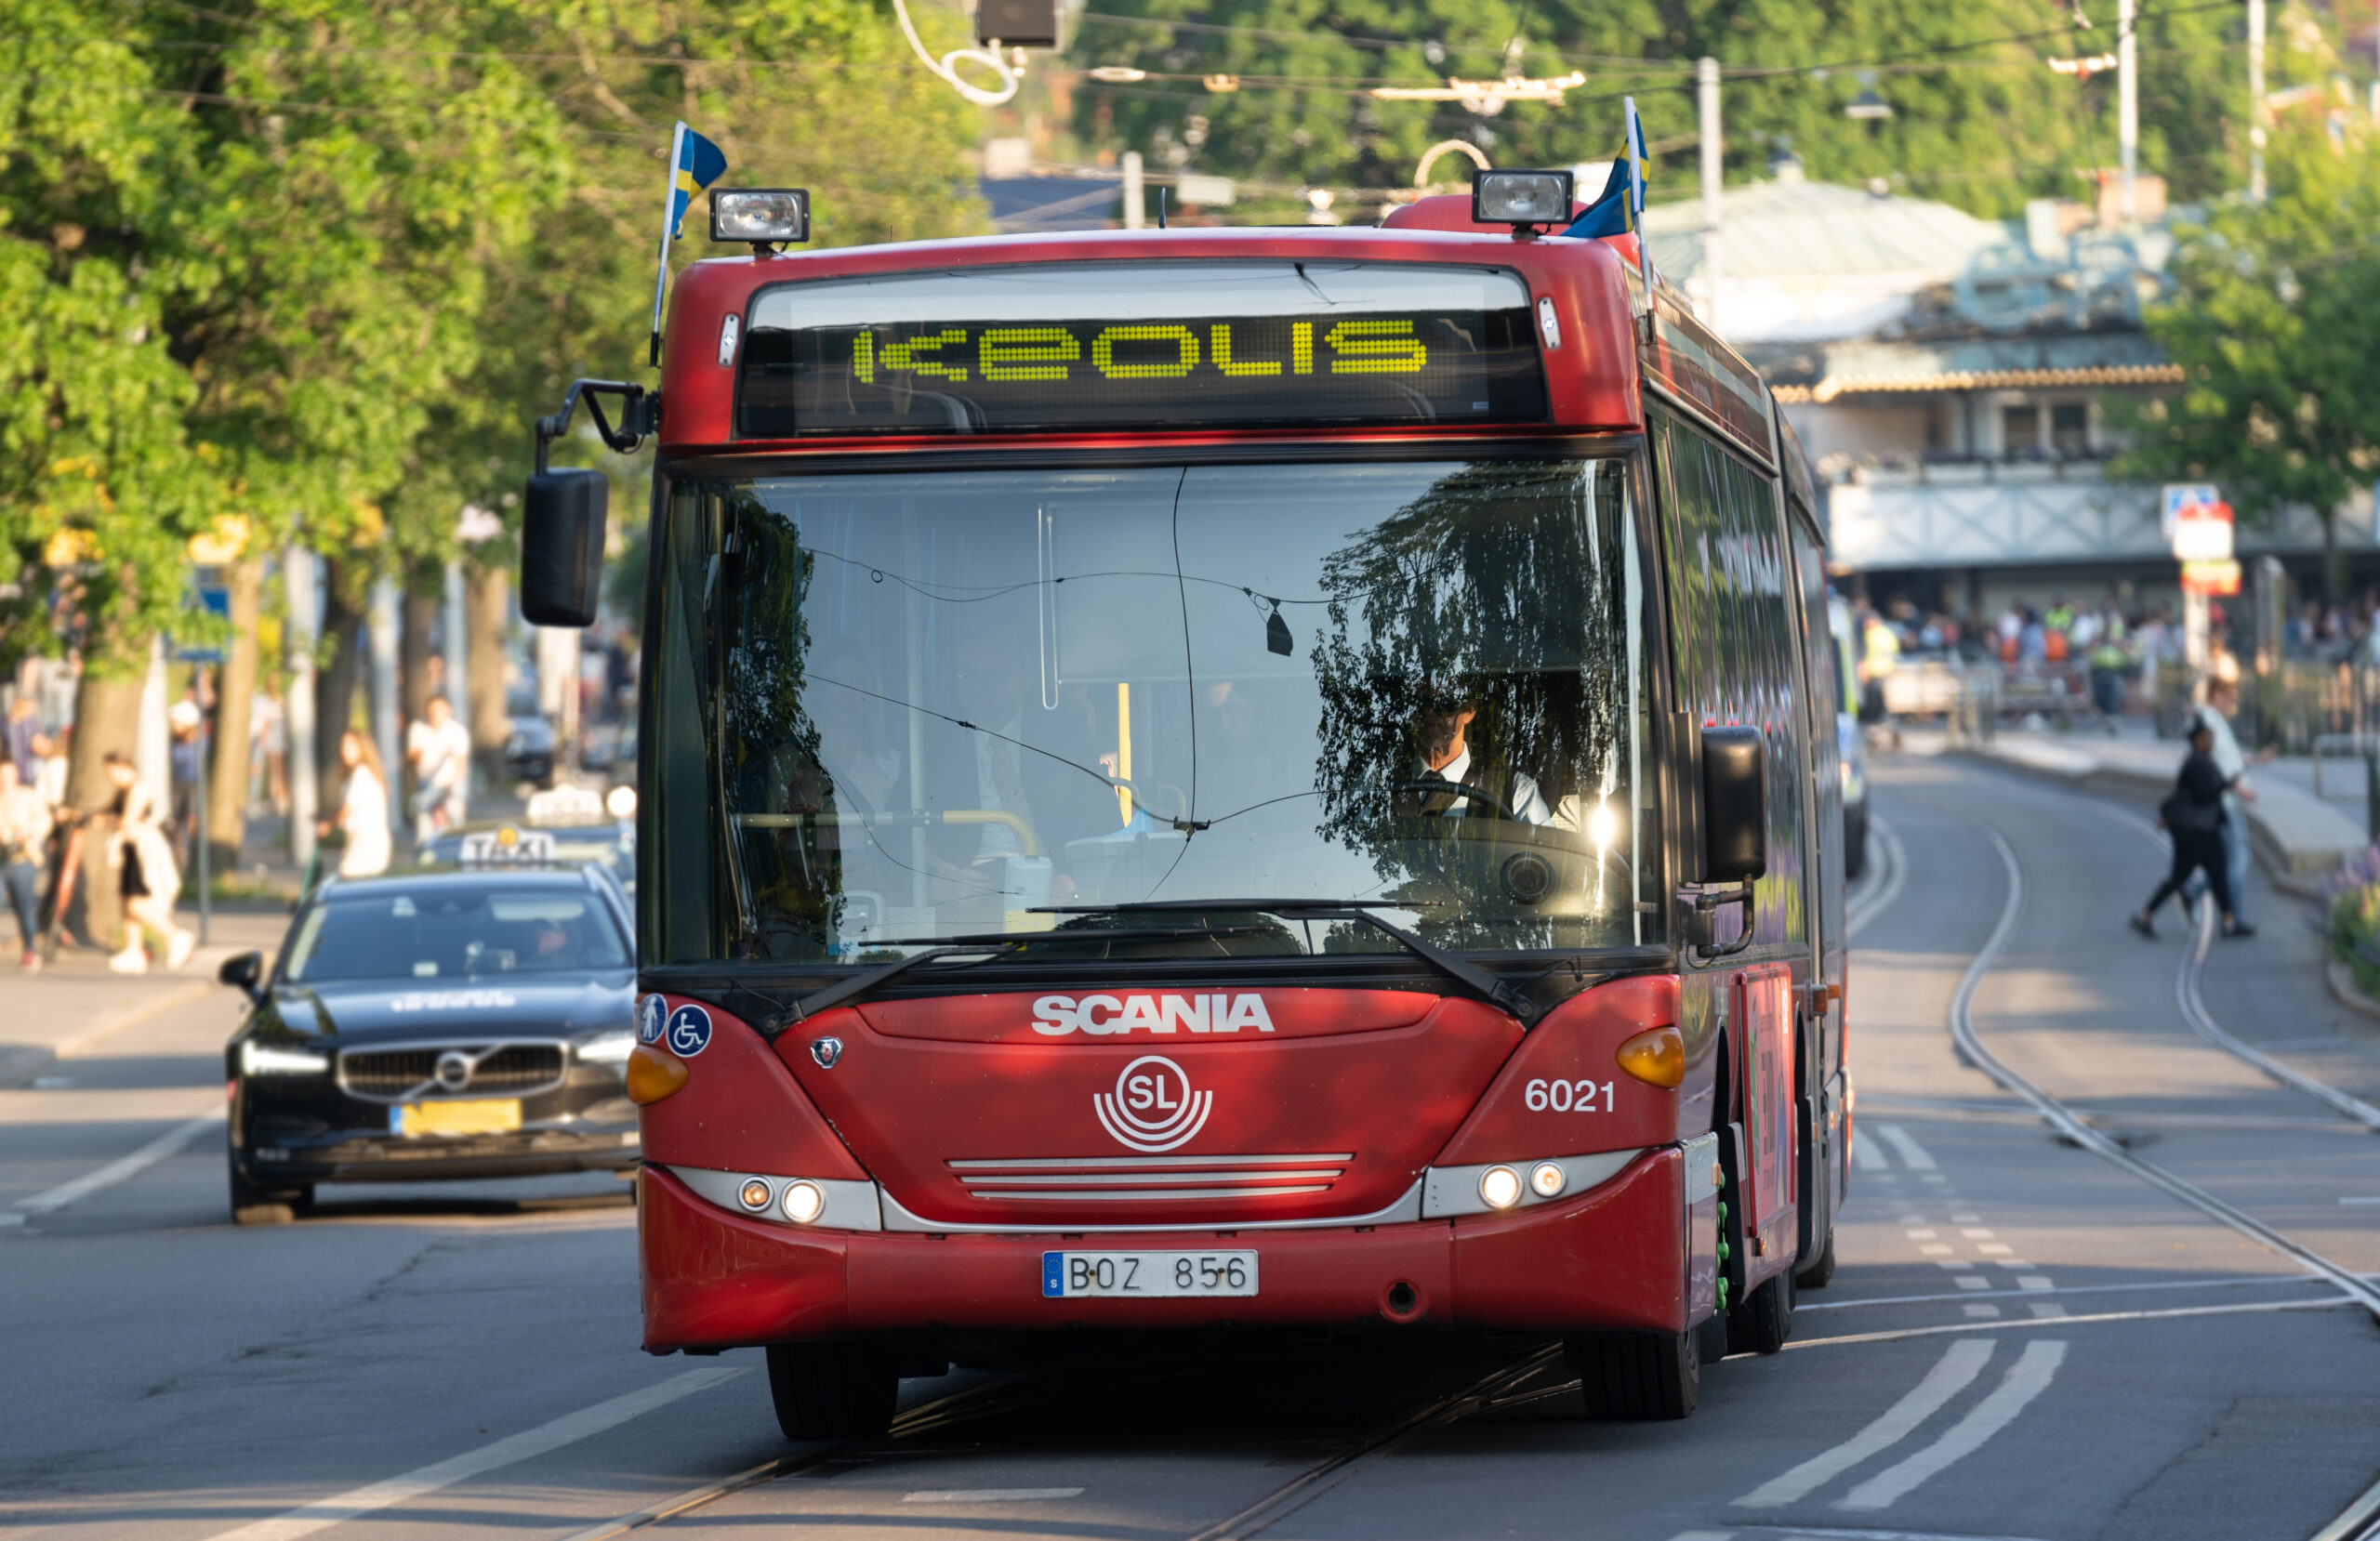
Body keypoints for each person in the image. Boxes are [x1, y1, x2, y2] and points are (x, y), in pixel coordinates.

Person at [2132, 721, 2250, 939]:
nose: (2211, 742)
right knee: (2179, 878)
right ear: (2197, 740)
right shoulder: (2196, 763)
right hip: (2192, 832)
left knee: (2218, 874)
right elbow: (2205, 793)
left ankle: (2228, 921)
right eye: (2207, 738)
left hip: (2206, 830)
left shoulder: (2202, 761)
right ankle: (2144, 915)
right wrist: (2228, 784)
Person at [102, 752, 194, 972]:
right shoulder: (124, 790)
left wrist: (109, 821)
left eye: (110, 772)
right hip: (130, 847)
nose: (109, 777)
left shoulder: (138, 789)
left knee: (136, 902)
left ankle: (174, 934)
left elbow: (128, 821)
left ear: (122, 766)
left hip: (140, 848)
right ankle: (134, 949)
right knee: (126, 902)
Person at [1395, 701, 1553, 824]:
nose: (1429, 712)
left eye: (1442, 704)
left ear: (1469, 710)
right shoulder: (1380, 787)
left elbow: (1548, 862)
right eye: (1420, 703)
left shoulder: (1516, 793)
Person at [2182, 678, 2257, 932]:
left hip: (2228, 798)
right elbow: (2217, 764)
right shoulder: (2208, 721)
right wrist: (2240, 788)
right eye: (2230, 697)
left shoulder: (2215, 721)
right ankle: (2231, 919)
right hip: (2227, 801)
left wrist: (2257, 759)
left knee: (2224, 861)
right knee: (2239, 860)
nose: (2233, 703)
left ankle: (2195, 891)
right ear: (2216, 694)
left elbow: (2229, 759)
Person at [0, 758, 50, 970]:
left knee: (24, 907)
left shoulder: (28, 796)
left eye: (8, 773)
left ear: (16, 774)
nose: (5, 779)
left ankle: (30, 949)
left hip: (21, 858)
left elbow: (45, 820)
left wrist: (28, 830)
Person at [322, 730, 392, 878]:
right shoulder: (367, 773)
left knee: (347, 878)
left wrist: (328, 825)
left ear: (363, 748)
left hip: (365, 841)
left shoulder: (361, 773)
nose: (345, 750)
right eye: (343, 746)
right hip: (367, 840)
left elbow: (347, 808)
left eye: (351, 746)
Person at [403, 694, 472, 847]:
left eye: (440, 709)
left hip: (450, 781)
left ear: (449, 711)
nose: (435, 714)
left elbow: (461, 762)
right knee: (423, 816)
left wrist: (453, 785)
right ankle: (424, 848)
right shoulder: (418, 728)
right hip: (427, 782)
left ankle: (458, 846)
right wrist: (413, 756)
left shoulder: (457, 731)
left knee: (455, 815)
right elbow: (412, 756)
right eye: (432, 710)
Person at [251, 684, 288, 818]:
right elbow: (266, 722)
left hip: (279, 738)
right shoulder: (272, 702)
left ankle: (280, 800)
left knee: (279, 771)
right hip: (275, 739)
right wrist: (263, 739)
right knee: (275, 771)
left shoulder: (280, 701)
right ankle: (277, 800)